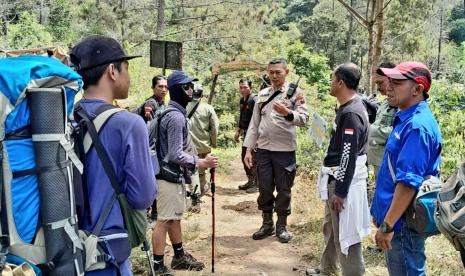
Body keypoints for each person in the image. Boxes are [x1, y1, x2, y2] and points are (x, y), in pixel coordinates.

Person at [70, 35, 157, 275]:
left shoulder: (65, 117)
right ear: (112, 71)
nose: (128, 76)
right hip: (106, 255)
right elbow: (143, 197)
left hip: (67, 252)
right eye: (126, 68)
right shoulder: (128, 123)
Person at [371, 62, 441, 275]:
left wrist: (388, 225)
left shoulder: (416, 127)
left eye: (398, 82)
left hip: (403, 224)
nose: (389, 87)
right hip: (397, 220)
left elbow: (408, 183)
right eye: (389, 81)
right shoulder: (405, 118)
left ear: (418, 89)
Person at [151, 71, 218, 275]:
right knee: (164, 220)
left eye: (191, 86)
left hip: (168, 174)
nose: (191, 90)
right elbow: (175, 154)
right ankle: (158, 266)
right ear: (176, 90)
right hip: (168, 175)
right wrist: (202, 162)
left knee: (174, 218)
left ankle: (179, 256)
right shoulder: (176, 117)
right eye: (186, 86)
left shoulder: (170, 111)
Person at [307, 63, 371, 276]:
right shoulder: (345, 108)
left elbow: (348, 155)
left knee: (347, 236)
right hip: (334, 178)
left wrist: (341, 192)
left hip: (343, 183)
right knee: (331, 228)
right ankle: (327, 268)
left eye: (332, 79)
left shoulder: (352, 113)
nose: (330, 82)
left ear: (341, 83)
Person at [243, 58, 309, 243]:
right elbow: (254, 124)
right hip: (263, 150)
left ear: (286, 72)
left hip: (285, 151)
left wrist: (288, 114)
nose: (273, 75)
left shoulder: (295, 94)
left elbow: (304, 119)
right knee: (264, 188)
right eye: (271, 72)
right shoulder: (262, 94)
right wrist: (248, 150)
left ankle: (281, 225)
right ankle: (267, 224)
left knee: (283, 189)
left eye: (278, 72)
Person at [133, 75, 168, 221]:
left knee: (154, 179)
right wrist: (145, 109)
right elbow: (147, 111)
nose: (164, 89)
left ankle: (153, 212)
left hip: (154, 149)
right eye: (160, 86)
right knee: (152, 180)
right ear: (153, 87)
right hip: (149, 150)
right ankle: (150, 214)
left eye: (166, 87)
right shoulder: (151, 102)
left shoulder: (162, 103)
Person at [187, 84, 219, 196]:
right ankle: (199, 192)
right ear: (201, 95)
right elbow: (214, 128)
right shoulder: (208, 108)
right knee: (201, 171)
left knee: (191, 169)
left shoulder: (183, 106)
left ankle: (195, 193)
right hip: (203, 146)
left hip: (188, 146)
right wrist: (213, 143)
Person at [367, 63, 397, 181]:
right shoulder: (385, 103)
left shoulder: (400, 105)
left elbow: (398, 132)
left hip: (389, 165)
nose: (378, 87)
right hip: (378, 163)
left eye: (381, 83)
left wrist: (370, 129)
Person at [234, 78, 259, 193]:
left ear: (250, 88)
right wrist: (238, 131)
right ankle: (250, 181)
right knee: (244, 156)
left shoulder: (254, 100)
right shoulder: (242, 100)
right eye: (241, 87)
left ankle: (257, 184)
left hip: (254, 134)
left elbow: (258, 119)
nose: (243, 90)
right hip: (245, 132)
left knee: (252, 158)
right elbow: (242, 117)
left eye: (245, 87)